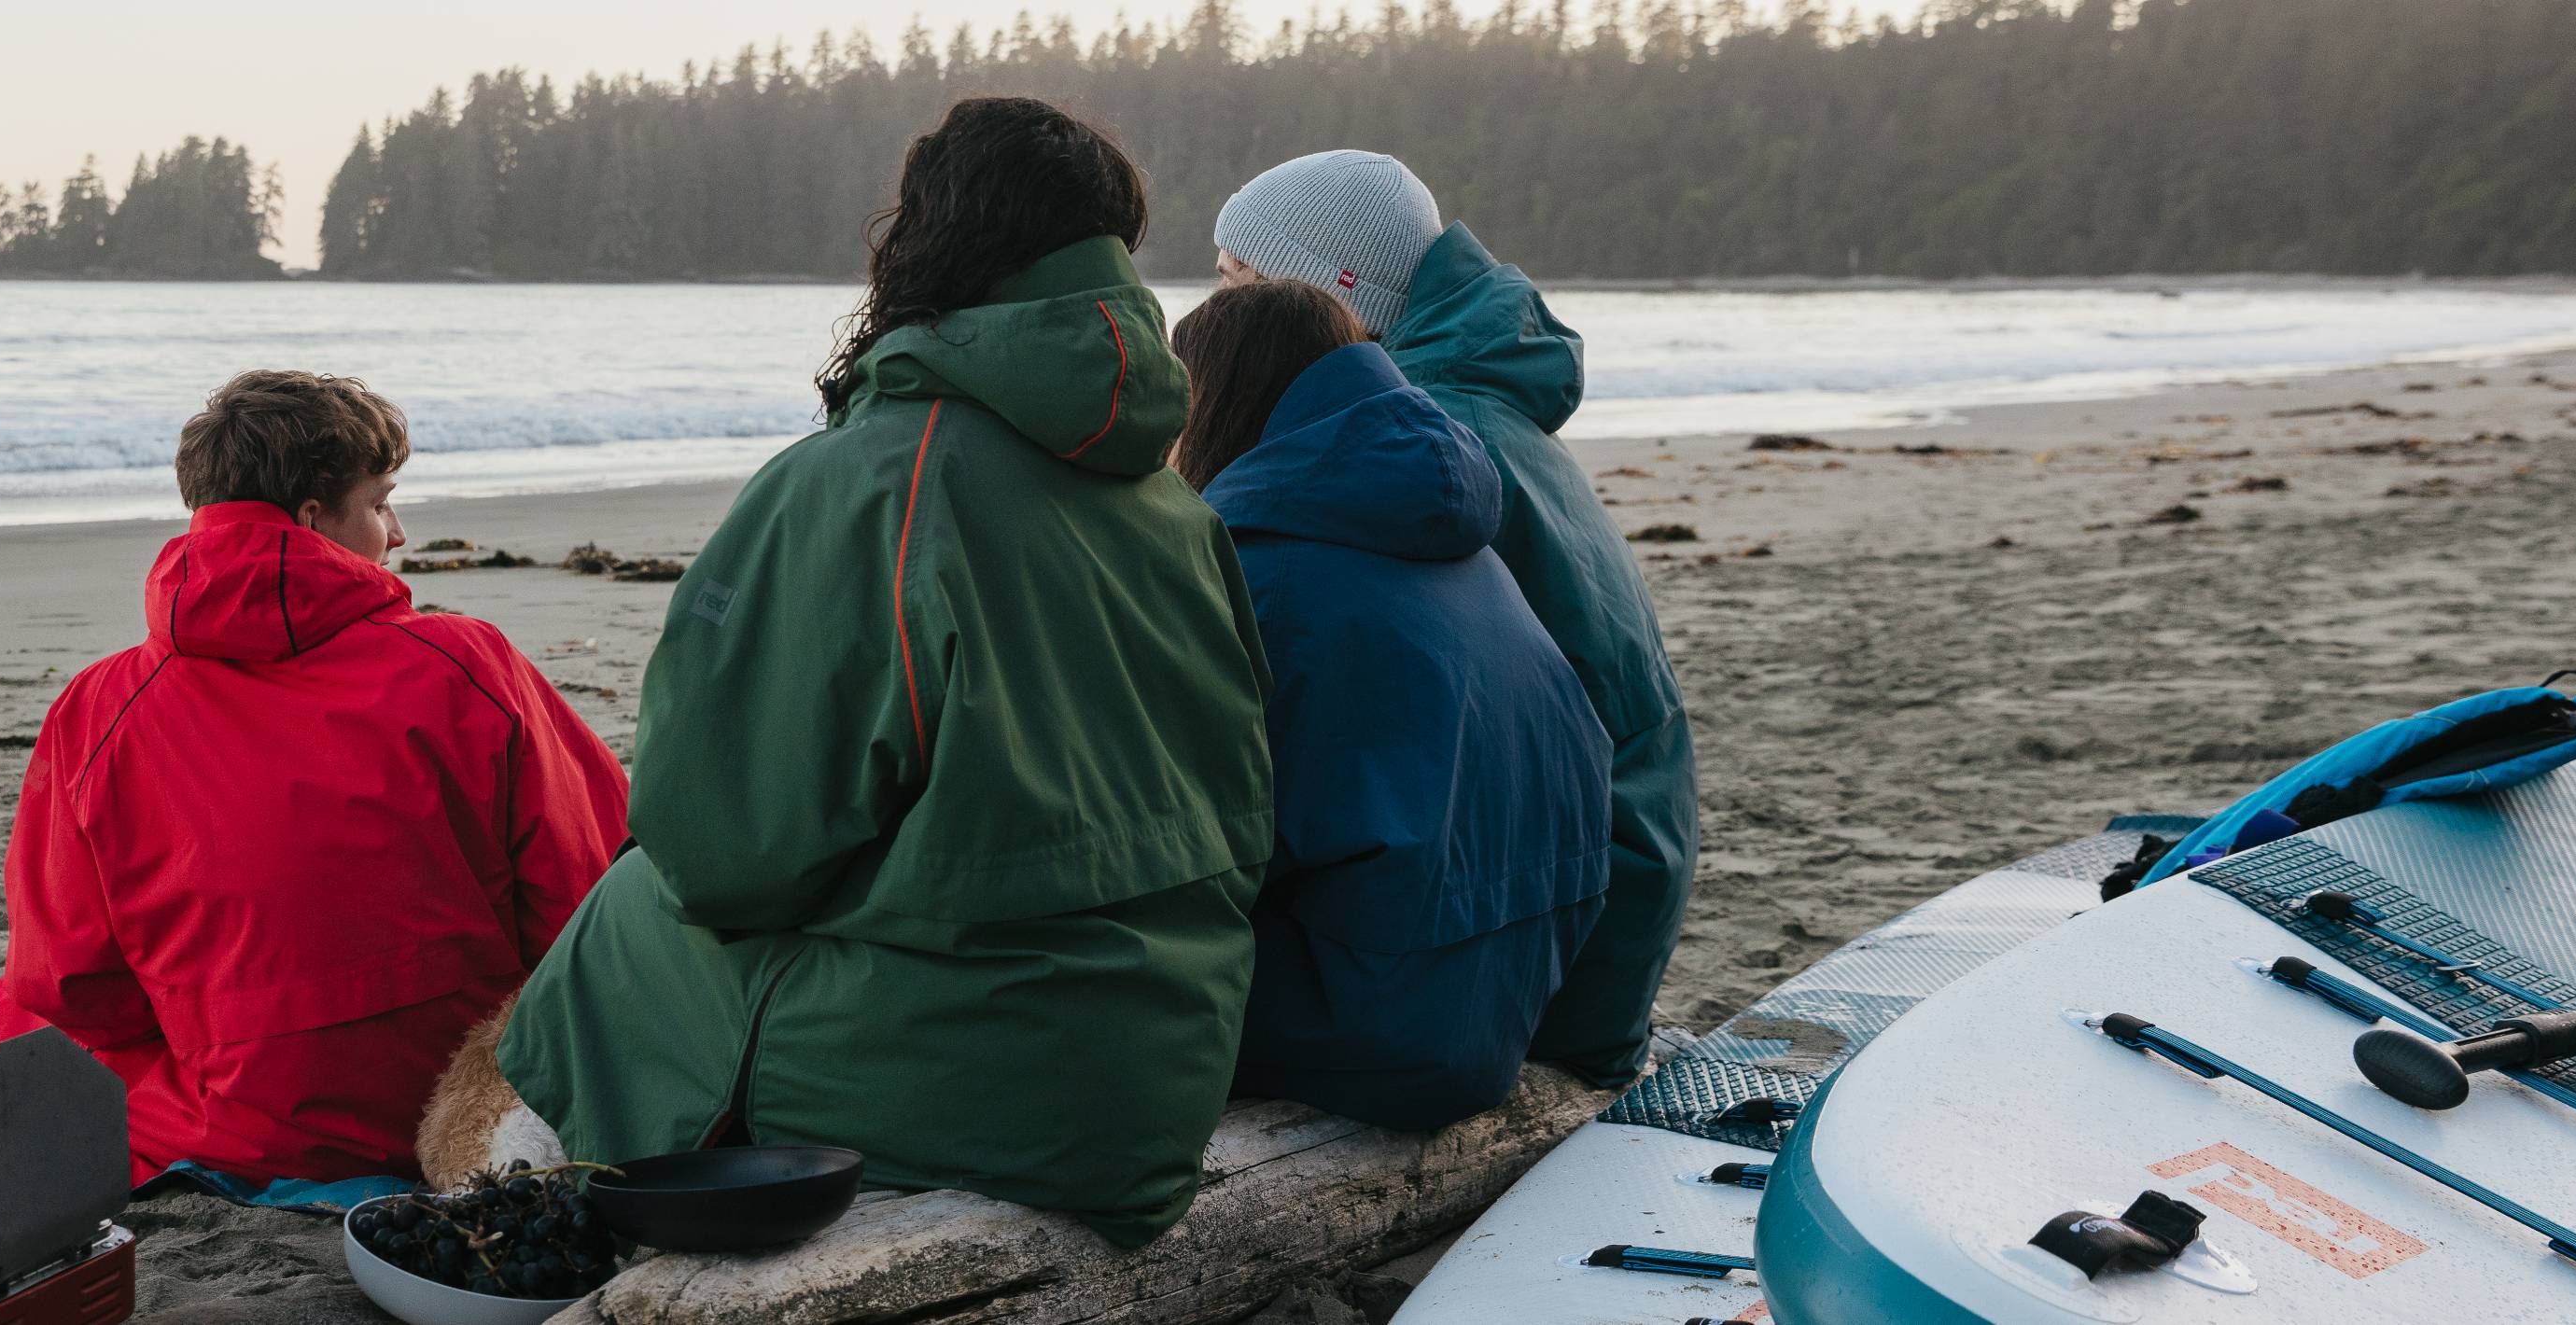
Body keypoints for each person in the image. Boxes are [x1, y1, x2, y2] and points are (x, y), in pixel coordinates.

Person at [490, 97, 1273, 1246]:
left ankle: (540, 1206)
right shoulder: (1172, 501)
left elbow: (726, 855)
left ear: (924, 243)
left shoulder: (869, 483)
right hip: (1163, 1058)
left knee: (621, 917)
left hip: (977, 1091)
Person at [0, 370, 629, 1192]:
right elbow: (593, 894)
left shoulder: (98, 706)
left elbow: (73, 982)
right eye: (381, 503)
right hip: (460, 1095)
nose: (400, 531)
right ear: (313, 520)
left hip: (241, 1113)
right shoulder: (467, 661)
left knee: (5, 1019)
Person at [1213, 150, 1702, 1086]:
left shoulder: (1423, 449)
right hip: (1615, 896)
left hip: (1563, 955)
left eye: (1236, 281)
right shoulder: (1465, 424)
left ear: (1321, 298)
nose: (1209, 312)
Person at [1169, 280, 1613, 1129]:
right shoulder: (1455, 540)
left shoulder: (1263, 579)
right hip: (1508, 998)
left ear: (1215, 401)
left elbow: (1201, 850)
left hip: (1377, 1026)